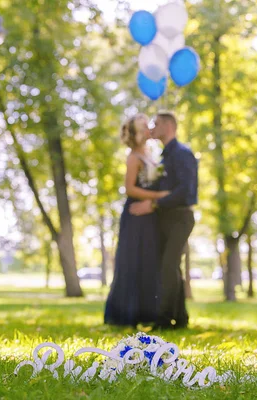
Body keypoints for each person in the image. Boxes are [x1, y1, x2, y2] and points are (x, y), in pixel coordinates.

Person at [130, 112, 198, 330]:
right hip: (164, 219)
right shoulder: (163, 157)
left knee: (168, 266)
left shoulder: (182, 154)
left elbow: (186, 192)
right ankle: (180, 319)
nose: (152, 127)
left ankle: (164, 320)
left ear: (168, 126)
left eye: (156, 123)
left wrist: (154, 204)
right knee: (170, 268)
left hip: (180, 217)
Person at [104, 114, 170, 327]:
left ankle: (147, 313)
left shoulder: (150, 153)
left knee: (148, 262)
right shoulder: (133, 157)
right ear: (138, 133)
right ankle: (125, 314)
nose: (149, 129)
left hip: (150, 216)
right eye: (144, 127)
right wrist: (159, 197)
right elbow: (129, 188)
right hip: (135, 216)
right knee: (132, 261)